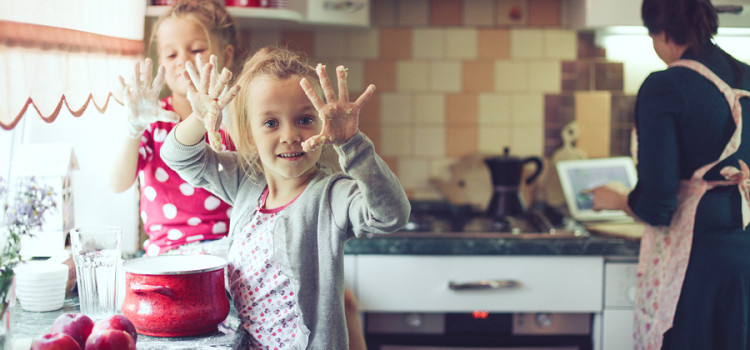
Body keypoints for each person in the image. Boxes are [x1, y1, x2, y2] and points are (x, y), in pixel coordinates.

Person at [161, 46, 410, 349]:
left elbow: (392, 215)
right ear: (250, 134)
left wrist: (352, 144)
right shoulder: (245, 181)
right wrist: (199, 119)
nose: (290, 135)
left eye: (305, 120)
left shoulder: (332, 195)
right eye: (271, 123)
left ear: (323, 125)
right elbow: (178, 157)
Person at [589, 0, 750, 348]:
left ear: (661, 33)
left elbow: (657, 205)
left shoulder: (665, 86)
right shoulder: (746, 76)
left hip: (697, 264)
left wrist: (616, 198)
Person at [109, 0, 239, 257]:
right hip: (167, 253)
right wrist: (134, 129)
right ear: (161, 64)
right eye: (171, 54)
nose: (183, 61)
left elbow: (260, 178)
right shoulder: (152, 120)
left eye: (197, 49)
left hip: (230, 248)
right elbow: (117, 183)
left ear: (226, 56)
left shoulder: (234, 117)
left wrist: (230, 119)